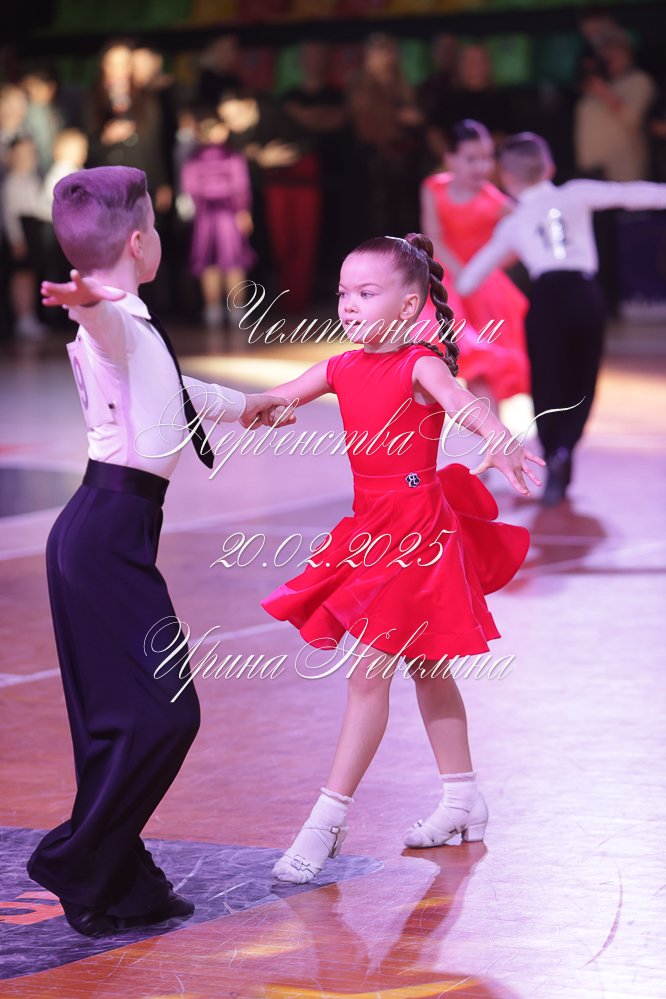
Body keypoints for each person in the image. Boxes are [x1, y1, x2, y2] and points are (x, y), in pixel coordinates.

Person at [25, 165, 287, 937]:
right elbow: (105, 328)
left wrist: (248, 406)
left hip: (104, 533)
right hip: (104, 538)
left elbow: (169, 383)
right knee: (168, 714)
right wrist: (88, 299)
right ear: (140, 243)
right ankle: (77, 858)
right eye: (155, 225)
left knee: (119, 719)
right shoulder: (111, 320)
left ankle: (119, 884)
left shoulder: (137, 329)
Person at [260, 232, 544, 884]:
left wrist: (498, 435)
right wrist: (202, 402)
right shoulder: (339, 367)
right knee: (426, 664)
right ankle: (462, 797)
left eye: (366, 293)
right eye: (343, 293)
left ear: (409, 303)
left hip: (417, 533)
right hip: (372, 529)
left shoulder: (420, 363)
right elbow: (274, 399)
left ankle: (326, 821)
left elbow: (463, 404)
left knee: (368, 674)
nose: (349, 305)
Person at [457, 132, 666, 505]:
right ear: (549, 168)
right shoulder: (576, 193)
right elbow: (633, 194)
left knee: (548, 383)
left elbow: (469, 280)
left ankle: (554, 450)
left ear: (506, 177)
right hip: (585, 294)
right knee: (583, 380)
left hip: (547, 299)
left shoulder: (514, 223)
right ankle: (566, 447)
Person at [420, 119, 530, 416]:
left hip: (483, 291)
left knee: (484, 369)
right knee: (428, 363)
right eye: (471, 159)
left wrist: (485, 268)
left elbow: (523, 239)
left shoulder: (495, 200)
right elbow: (434, 238)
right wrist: (461, 275)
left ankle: (494, 437)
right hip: (443, 286)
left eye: (487, 158)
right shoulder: (433, 188)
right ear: (450, 159)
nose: (481, 166)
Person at [180, 111, 254, 329]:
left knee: (208, 262)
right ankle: (236, 309)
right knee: (233, 262)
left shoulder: (193, 158)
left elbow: (189, 188)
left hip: (205, 217)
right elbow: (241, 186)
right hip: (229, 215)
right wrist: (243, 210)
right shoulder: (232, 156)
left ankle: (213, 309)